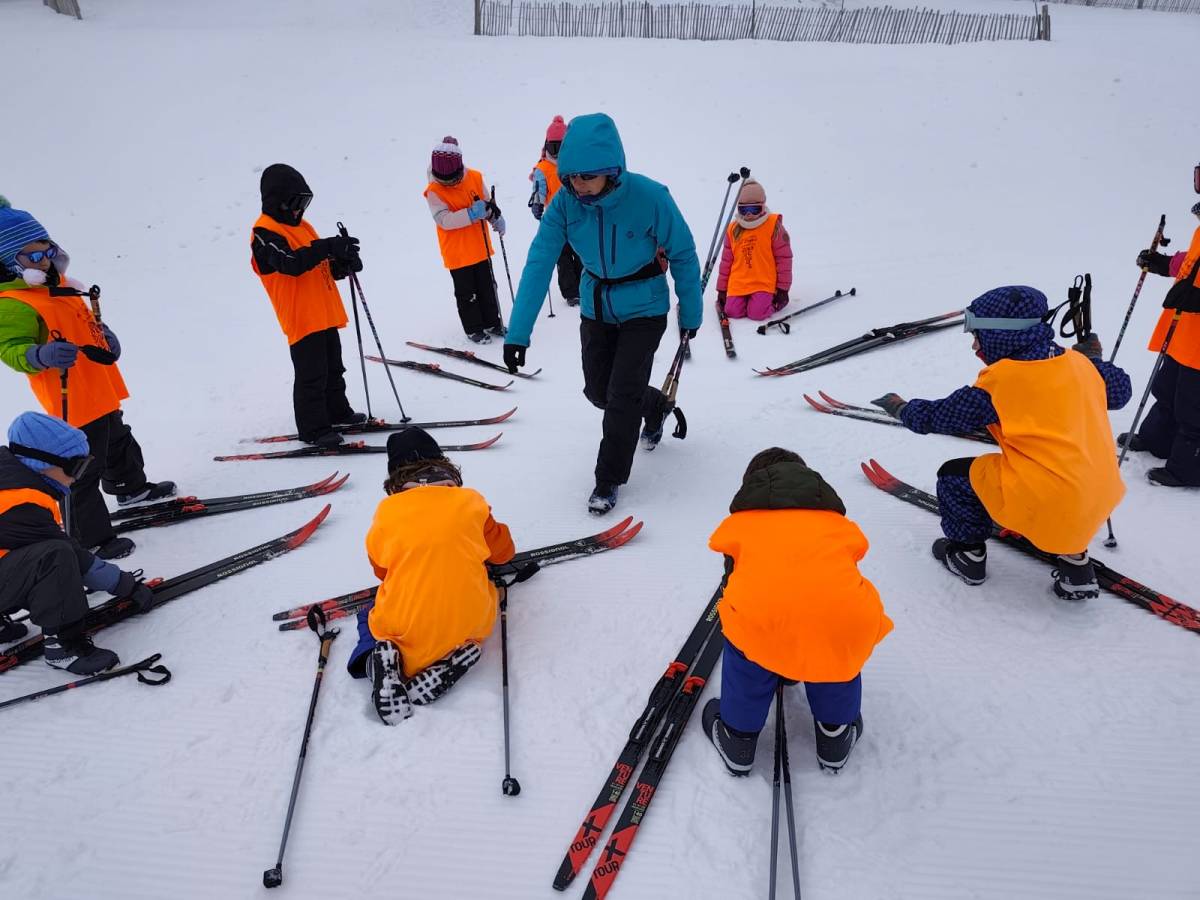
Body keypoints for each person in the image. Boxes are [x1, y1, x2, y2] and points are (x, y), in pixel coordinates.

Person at [871, 285, 1132, 598]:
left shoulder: (1000, 384)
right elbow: (1119, 392)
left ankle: (966, 555)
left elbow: (937, 417)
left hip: (1050, 498)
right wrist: (1094, 358)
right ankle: (1076, 565)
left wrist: (902, 408)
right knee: (1062, 485)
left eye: (976, 336)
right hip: (1101, 494)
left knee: (954, 477)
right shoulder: (1080, 365)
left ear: (999, 335)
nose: (974, 347)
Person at [502, 113, 703, 514]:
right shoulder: (565, 205)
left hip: (644, 306)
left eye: (587, 178)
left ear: (613, 171)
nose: (579, 186)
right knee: (600, 392)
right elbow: (539, 261)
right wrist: (517, 333)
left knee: (621, 394)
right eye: (572, 177)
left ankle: (608, 479)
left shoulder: (650, 197)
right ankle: (656, 406)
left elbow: (682, 252)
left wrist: (691, 314)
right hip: (596, 305)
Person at [0, 197, 174, 559]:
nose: (44, 260)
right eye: (32, 257)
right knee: (82, 467)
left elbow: (85, 323)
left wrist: (105, 336)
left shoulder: (59, 286)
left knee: (118, 439)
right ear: (9, 262)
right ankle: (91, 538)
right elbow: (10, 349)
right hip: (70, 395)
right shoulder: (13, 302)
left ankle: (130, 486)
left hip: (99, 384)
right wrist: (38, 355)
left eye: (46, 250)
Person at [701, 447, 892, 774]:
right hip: (847, 618)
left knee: (748, 629)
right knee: (835, 639)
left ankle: (738, 737)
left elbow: (733, 577)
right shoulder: (835, 521)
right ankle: (836, 734)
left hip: (765, 618)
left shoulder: (742, 522)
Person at [345, 426, 516, 725]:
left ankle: (378, 663)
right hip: (470, 622)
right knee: (481, 588)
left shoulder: (387, 512)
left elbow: (381, 570)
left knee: (368, 617)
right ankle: (455, 656)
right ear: (443, 464)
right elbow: (504, 554)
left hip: (403, 627)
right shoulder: (472, 502)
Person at [0, 412, 155, 673]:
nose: (78, 476)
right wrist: (123, 584)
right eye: (76, 467)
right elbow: (71, 555)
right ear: (41, 464)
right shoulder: (21, 501)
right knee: (54, 557)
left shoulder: (10, 479)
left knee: (33, 556)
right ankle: (64, 646)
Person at [251, 164, 366, 448]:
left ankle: (337, 412)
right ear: (275, 201)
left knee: (333, 368)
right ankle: (313, 428)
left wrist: (343, 263)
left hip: (324, 312)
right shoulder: (264, 233)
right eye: (293, 203)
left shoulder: (303, 228)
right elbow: (291, 264)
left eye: (303, 202)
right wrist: (328, 247)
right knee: (311, 375)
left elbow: (320, 267)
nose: (298, 210)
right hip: (301, 317)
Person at [1125, 183, 1200, 487]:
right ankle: (1157, 440)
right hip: (1185, 329)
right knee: (1168, 388)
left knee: (1194, 404)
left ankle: (1189, 469)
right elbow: (1192, 260)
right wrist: (1164, 264)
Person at [423, 137, 508, 344]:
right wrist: (470, 213)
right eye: (445, 180)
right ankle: (474, 328)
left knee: (488, 287)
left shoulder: (476, 177)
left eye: (453, 178)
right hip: (457, 253)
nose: (450, 183)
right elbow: (444, 220)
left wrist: (494, 217)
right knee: (467, 293)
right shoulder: (434, 191)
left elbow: (487, 203)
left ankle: (492, 322)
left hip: (480, 246)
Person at [715, 178, 793, 322]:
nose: (749, 215)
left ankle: (773, 303)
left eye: (754, 209)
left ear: (762, 207)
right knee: (732, 311)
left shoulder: (772, 226)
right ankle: (745, 301)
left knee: (757, 313)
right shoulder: (733, 229)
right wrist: (722, 289)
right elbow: (726, 262)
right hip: (739, 281)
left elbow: (784, 259)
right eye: (744, 210)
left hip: (763, 281)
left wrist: (783, 288)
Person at [528, 115, 582, 307]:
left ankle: (585, 285)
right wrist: (537, 204)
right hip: (556, 220)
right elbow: (539, 189)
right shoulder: (543, 169)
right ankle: (571, 292)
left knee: (582, 253)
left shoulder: (575, 161)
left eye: (561, 146)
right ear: (547, 145)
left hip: (579, 216)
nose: (557, 152)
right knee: (564, 256)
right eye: (553, 147)